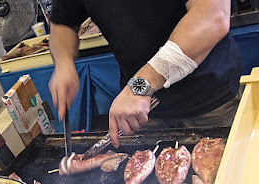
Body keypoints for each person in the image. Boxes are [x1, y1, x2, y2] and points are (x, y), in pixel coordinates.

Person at [48, 0, 242, 148]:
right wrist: (64, 62)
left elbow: (212, 16)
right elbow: (62, 23)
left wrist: (140, 86)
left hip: (210, 100)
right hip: (143, 113)